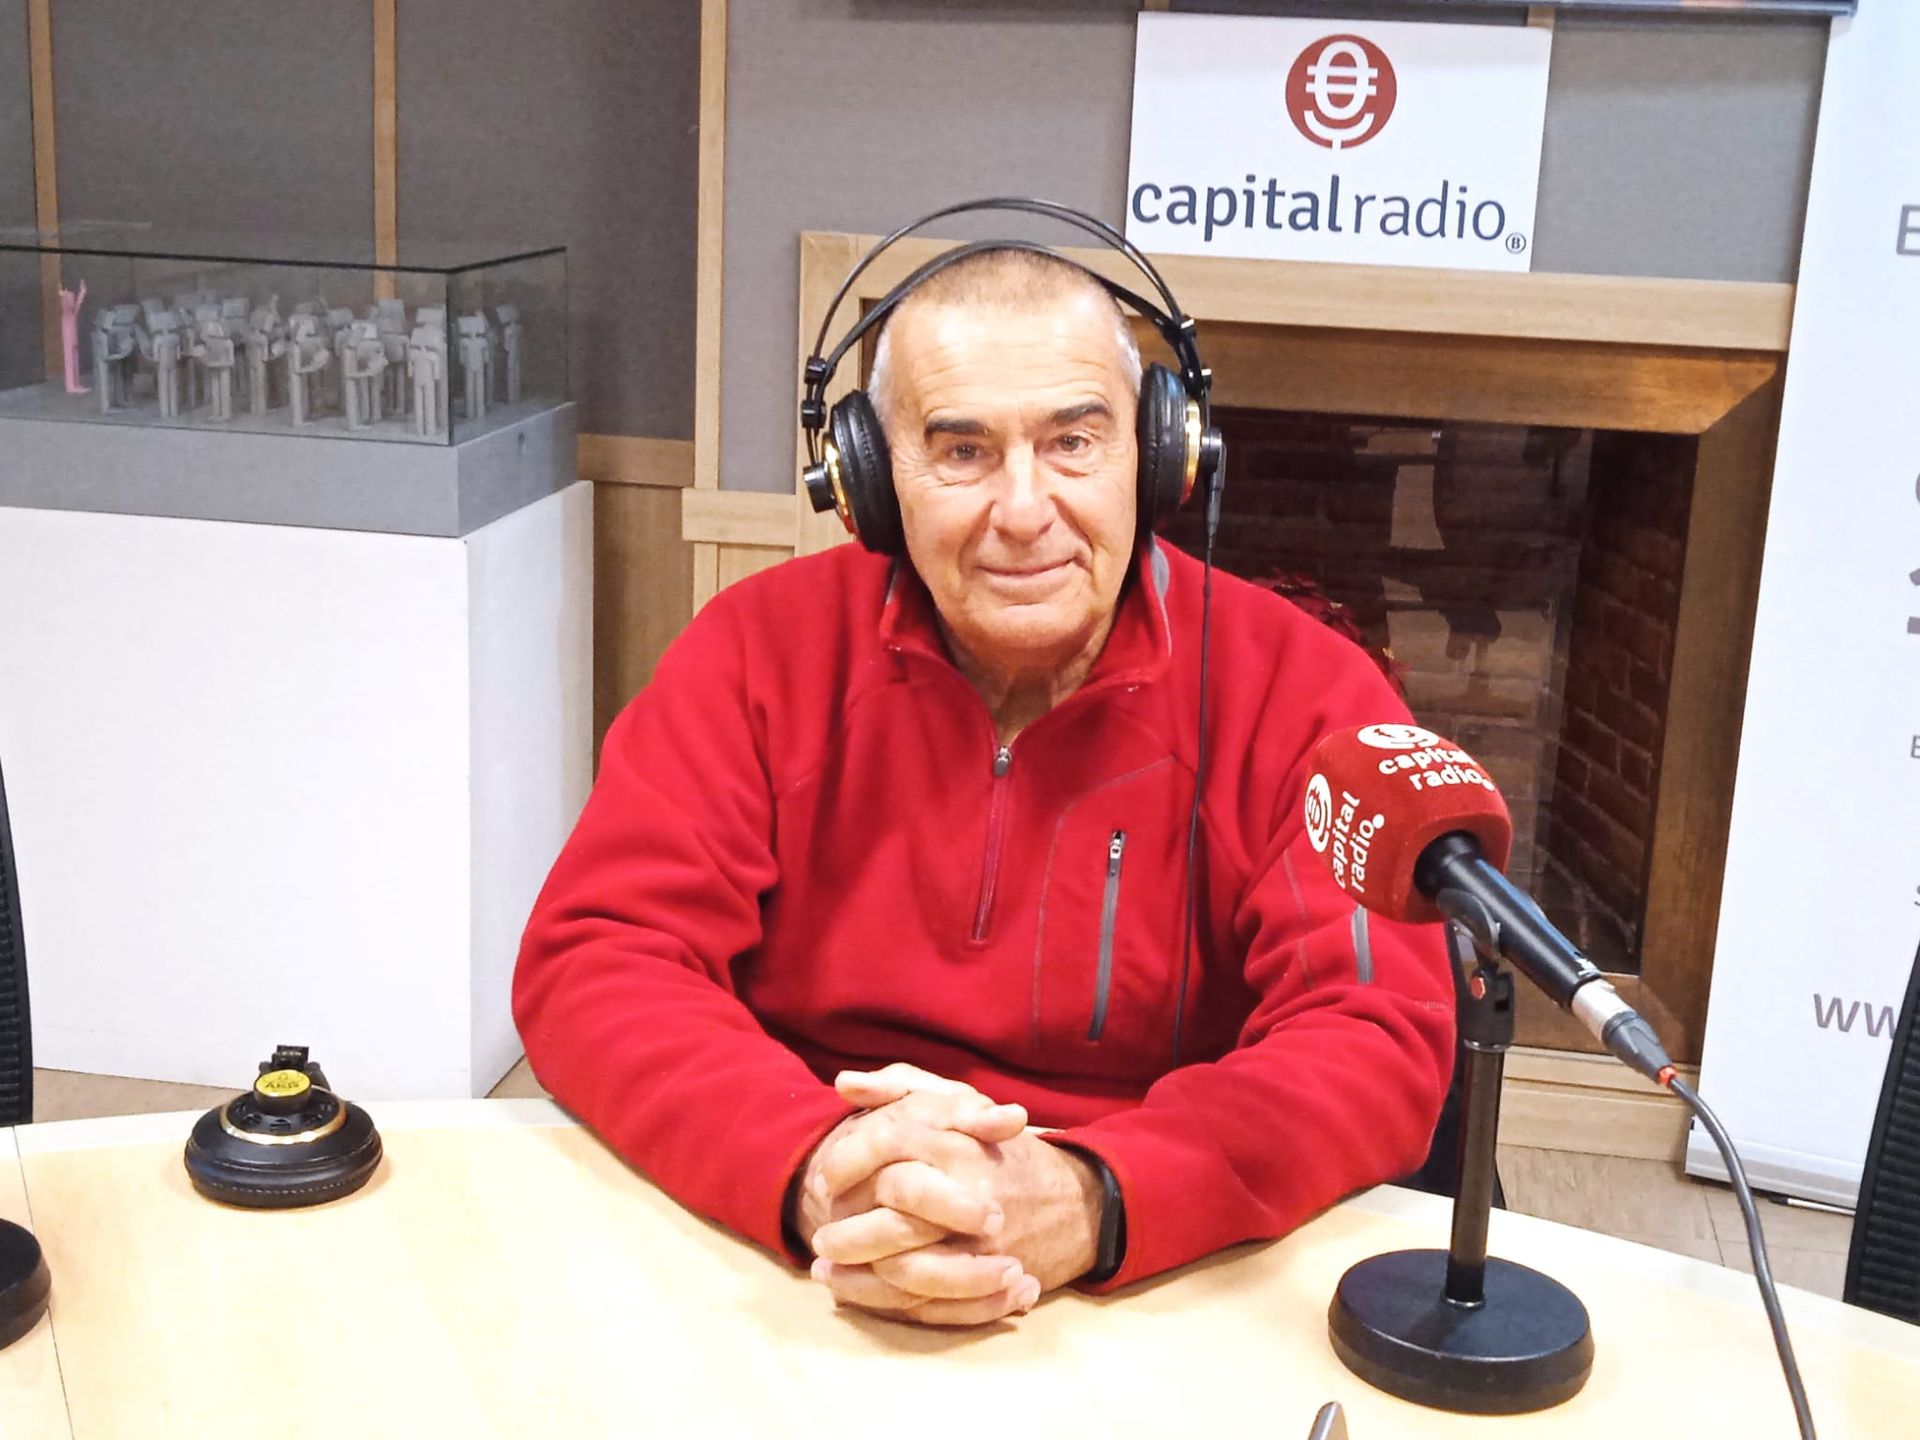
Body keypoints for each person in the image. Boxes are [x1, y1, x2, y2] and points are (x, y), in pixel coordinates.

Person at [513, 219, 1455, 1328]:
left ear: (1159, 456)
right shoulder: (754, 652)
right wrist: (818, 1164)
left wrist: (1095, 1194)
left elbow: (1373, 1034)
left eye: (1074, 443)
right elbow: (598, 953)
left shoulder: (1303, 691)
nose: (1023, 511)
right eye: (962, 453)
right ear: (867, 477)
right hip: (808, 1241)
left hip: (1147, 1267)